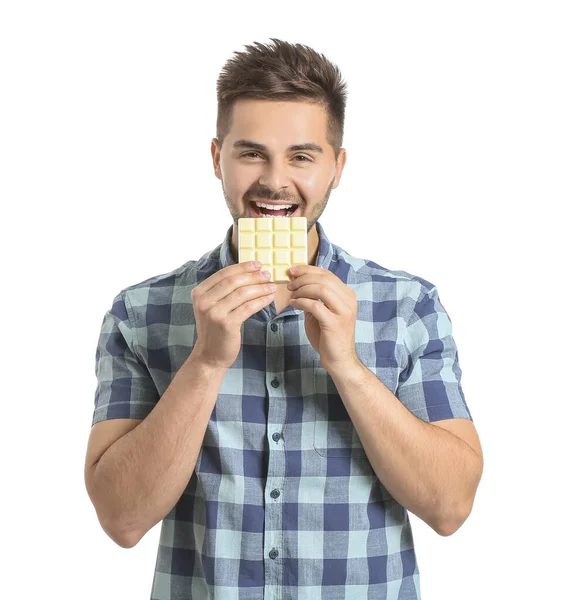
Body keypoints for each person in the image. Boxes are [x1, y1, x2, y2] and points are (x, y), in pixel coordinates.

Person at [84, 38, 483, 600]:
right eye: (251, 153)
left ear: (336, 166)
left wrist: (347, 367)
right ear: (216, 157)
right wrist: (205, 364)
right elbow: (120, 519)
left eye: (301, 156)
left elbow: (450, 507)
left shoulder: (409, 306)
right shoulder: (141, 313)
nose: (275, 180)